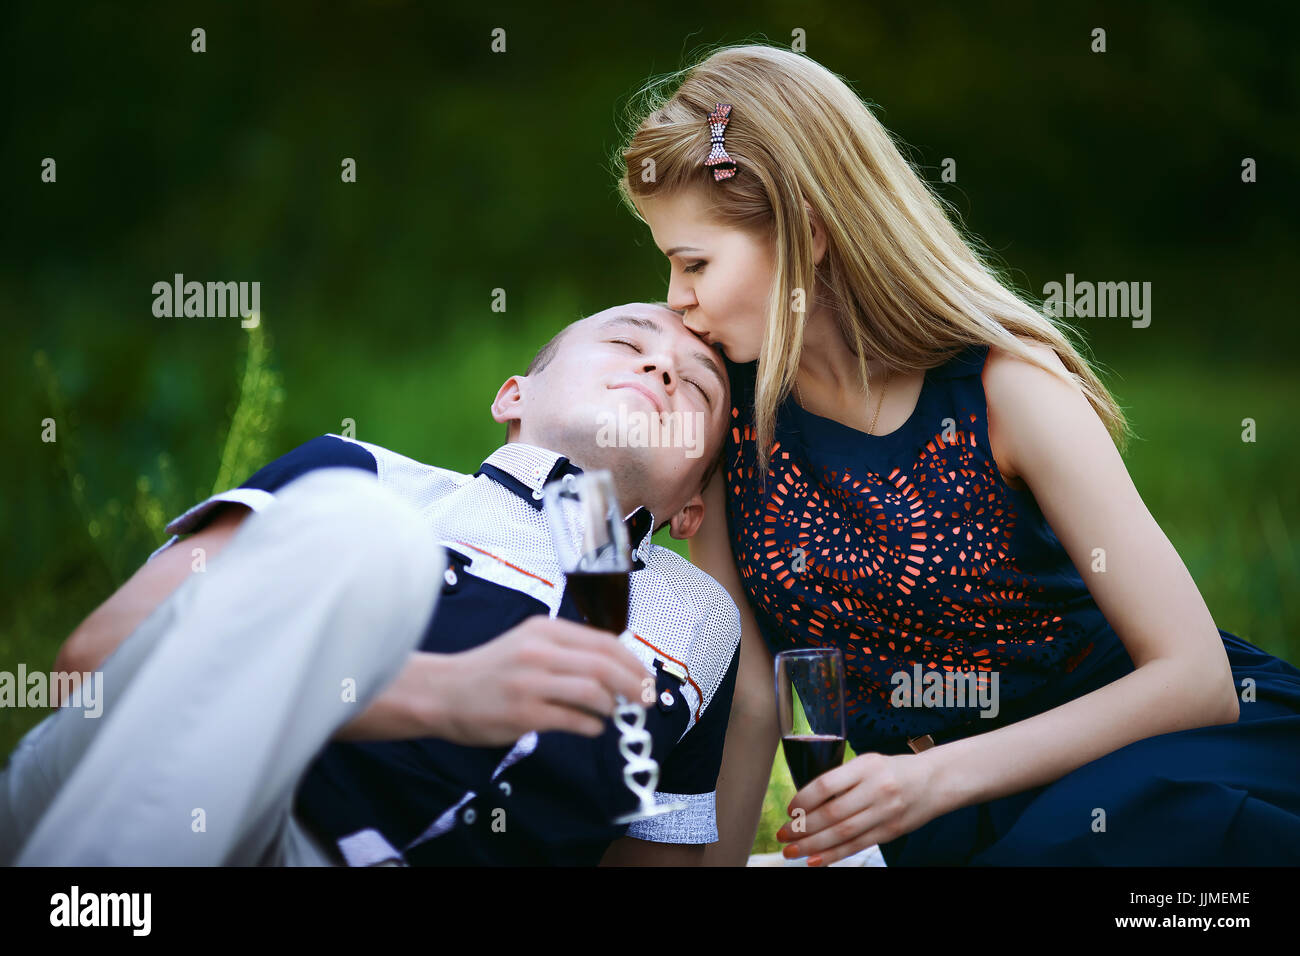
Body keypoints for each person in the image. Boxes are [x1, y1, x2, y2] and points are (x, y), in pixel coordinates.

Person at [613, 43, 1300, 865]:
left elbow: (1195, 679)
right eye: (668, 264)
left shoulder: (1008, 388)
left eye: (695, 262)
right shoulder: (736, 414)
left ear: (811, 233)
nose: (676, 298)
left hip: (1140, 759)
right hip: (934, 814)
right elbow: (754, 693)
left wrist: (938, 779)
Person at [1, 302, 742, 866]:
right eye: (626, 342)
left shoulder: (698, 625)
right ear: (513, 397)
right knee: (367, 530)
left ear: (693, 509)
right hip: (166, 806)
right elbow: (94, 666)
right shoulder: (363, 479)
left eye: (699, 389)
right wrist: (435, 695)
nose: (662, 371)